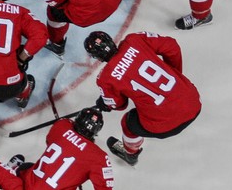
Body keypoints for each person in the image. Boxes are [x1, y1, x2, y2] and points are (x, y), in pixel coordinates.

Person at [84, 31, 202, 166]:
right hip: (192, 101)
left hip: (165, 125)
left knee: (128, 123)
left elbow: (120, 105)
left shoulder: (105, 78)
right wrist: (175, 75)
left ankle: (131, 155)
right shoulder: (134, 39)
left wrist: (106, 103)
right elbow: (172, 46)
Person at [17, 108, 112, 190]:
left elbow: (49, 141)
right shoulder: (100, 157)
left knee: (26, 167)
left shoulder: (61, 125)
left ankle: (10, 169)